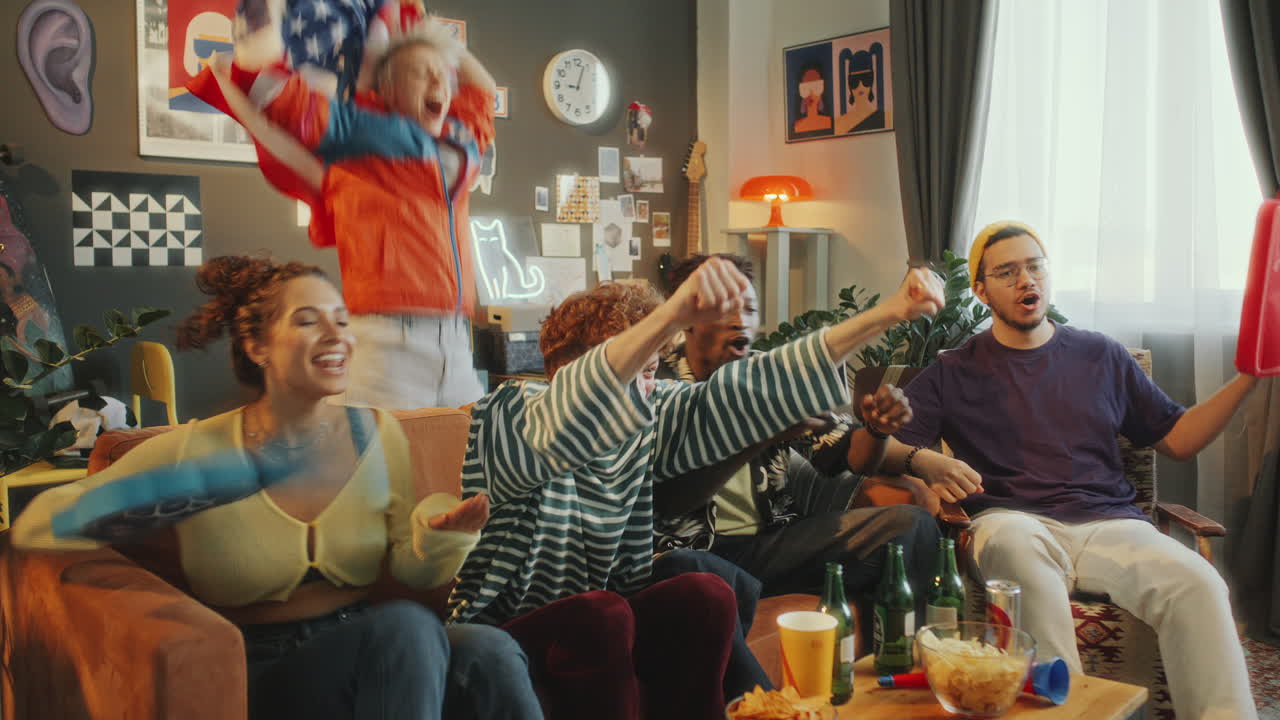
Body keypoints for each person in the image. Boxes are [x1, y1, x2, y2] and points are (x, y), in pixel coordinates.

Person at [12, 256, 542, 720]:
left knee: (488, 649)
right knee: (405, 627)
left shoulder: (377, 434)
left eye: (342, 320)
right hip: (260, 666)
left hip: (368, 638)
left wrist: (440, 539)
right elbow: (38, 526)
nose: (337, 337)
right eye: (309, 322)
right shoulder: (197, 451)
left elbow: (410, 568)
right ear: (257, 345)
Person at [447, 259, 945, 719]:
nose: (648, 388)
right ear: (561, 368)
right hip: (509, 626)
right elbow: (572, 411)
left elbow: (748, 392)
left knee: (701, 592)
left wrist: (889, 312)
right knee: (603, 611)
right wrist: (668, 317)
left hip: (607, 618)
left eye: (650, 372)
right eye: (634, 371)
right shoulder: (509, 411)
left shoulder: (646, 417)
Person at [881, 221, 1259, 719]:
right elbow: (882, 447)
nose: (1026, 280)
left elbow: (1180, 438)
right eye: (1007, 271)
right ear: (980, 290)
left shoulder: (1101, 354)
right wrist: (924, 470)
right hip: (1008, 521)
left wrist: (1250, 377)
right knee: (1021, 560)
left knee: (1198, 582)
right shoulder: (955, 369)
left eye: (1035, 266)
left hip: (1111, 523)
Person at [194, 19, 495, 409]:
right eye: (421, 73)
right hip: (388, 343)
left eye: (444, 75)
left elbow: (483, 90)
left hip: (456, 343)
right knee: (375, 465)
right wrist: (258, 44)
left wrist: (428, 29)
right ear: (386, 90)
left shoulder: (461, 139)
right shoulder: (361, 134)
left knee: (464, 460)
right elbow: (286, 100)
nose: (438, 82)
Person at [654, 253, 939, 614]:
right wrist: (765, 433)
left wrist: (877, 429)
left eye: (750, 308)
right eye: (726, 308)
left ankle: (901, 656)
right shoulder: (657, 384)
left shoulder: (768, 376)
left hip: (773, 545)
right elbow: (667, 495)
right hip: (693, 554)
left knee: (910, 525)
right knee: (690, 574)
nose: (740, 321)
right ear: (688, 318)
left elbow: (852, 456)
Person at [793, 63, 833, 134]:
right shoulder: (796, 126)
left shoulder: (830, 122)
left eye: (816, 87)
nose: (811, 93)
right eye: (806, 88)